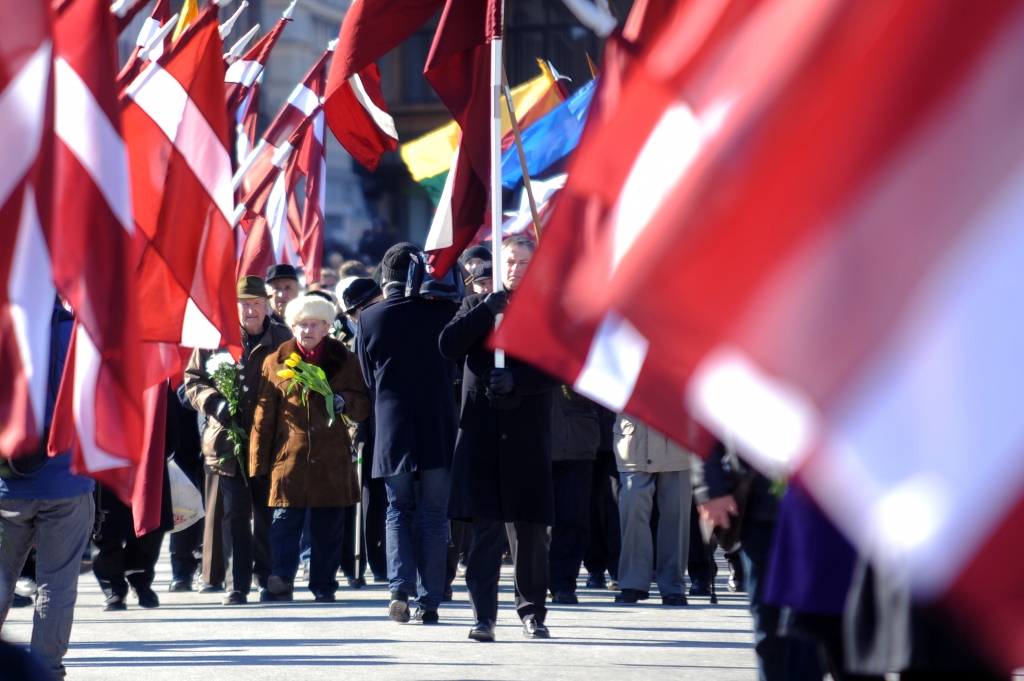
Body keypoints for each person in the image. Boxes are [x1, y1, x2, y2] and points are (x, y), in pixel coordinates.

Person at [439, 236, 558, 642]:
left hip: (527, 434)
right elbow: (447, 345)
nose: (516, 269)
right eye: (510, 261)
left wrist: (518, 382)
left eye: (525, 262)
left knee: (529, 531)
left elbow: (560, 367)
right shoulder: (476, 304)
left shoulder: (546, 311)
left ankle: (531, 612)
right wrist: (486, 309)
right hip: (481, 435)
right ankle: (483, 616)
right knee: (485, 529)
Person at [357, 243, 460, 624]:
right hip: (437, 423)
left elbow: (367, 377)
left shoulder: (370, 318)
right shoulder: (445, 312)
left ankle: (399, 589)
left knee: (397, 510)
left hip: (393, 427)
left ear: (385, 276)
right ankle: (431, 600)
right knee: (434, 514)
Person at [250, 295, 369, 602]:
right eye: (301, 325)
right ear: (292, 327)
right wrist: (258, 464)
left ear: (327, 327)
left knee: (329, 528)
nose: (307, 331)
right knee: (284, 525)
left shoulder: (346, 360)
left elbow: (362, 405)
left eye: (314, 324)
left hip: (332, 460)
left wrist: (343, 401)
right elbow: (264, 418)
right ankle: (281, 579)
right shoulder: (274, 362)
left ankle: (324, 584)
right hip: (289, 459)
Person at [0, 300, 95, 677]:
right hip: (67, 481)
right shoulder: (79, 333)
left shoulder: (7, 330)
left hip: (8, 483)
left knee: (3, 577)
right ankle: (46, 670)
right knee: (56, 585)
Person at [183, 276, 291, 605]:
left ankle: (267, 579)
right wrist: (214, 403)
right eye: (243, 304)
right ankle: (236, 584)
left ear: (267, 305)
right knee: (234, 515)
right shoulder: (216, 338)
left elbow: (296, 381)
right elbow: (193, 379)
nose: (250, 310)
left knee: (268, 511)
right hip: (226, 441)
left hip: (270, 443)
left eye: (256, 303)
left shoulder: (283, 337)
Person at [613, 415, 694, 607]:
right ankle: (633, 582)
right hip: (633, 440)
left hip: (678, 439)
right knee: (633, 509)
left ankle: (673, 584)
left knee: (677, 514)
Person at [547, 386, 600, 604]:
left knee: (573, 517)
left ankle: (563, 582)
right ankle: (530, 584)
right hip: (531, 439)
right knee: (529, 523)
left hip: (578, 435)